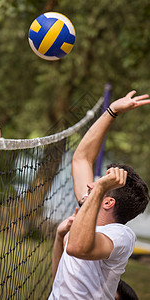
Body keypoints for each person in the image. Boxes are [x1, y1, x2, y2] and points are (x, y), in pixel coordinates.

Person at [49, 91, 150, 299]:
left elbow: (78, 247)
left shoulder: (121, 236)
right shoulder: (90, 211)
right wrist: (111, 111)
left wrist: (101, 188)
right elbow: (81, 159)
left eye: (99, 184)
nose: (92, 185)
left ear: (108, 202)